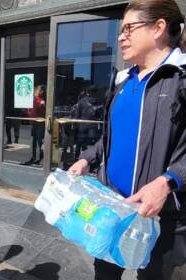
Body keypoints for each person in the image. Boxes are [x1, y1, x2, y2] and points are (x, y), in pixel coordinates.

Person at [69, 0, 186, 279]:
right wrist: (87, 158)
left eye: (129, 28)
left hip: (162, 219)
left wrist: (168, 180)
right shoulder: (123, 81)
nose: (121, 37)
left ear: (158, 28)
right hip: (113, 210)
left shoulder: (180, 78)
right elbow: (111, 138)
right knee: (104, 275)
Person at [22, 85, 46, 165]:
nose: (35, 92)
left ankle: (41, 158)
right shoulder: (34, 100)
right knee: (34, 141)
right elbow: (31, 111)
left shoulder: (41, 101)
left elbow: (39, 111)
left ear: (41, 92)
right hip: (34, 123)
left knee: (40, 141)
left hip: (40, 124)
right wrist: (27, 111)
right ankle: (34, 157)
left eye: (37, 90)